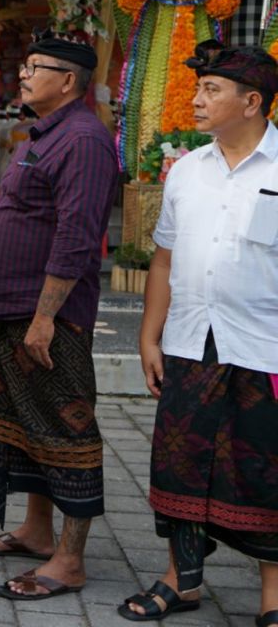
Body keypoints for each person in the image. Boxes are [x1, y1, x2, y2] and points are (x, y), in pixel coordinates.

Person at [120, 42, 278, 624]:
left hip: (266, 349)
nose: (197, 98)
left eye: (212, 89)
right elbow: (164, 258)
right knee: (179, 464)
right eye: (199, 87)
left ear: (252, 101)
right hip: (192, 342)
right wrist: (148, 336)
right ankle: (179, 579)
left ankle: (274, 597)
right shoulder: (186, 169)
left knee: (263, 469)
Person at [0, 29, 118, 601]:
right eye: (25, 65)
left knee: (64, 431)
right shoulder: (44, 133)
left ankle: (70, 560)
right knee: (25, 428)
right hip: (13, 308)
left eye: (35, 66)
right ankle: (35, 531)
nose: (23, 74)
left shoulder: (83, 139)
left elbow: (77, 239)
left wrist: (46, 316)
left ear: (69, 81)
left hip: (48, 317)